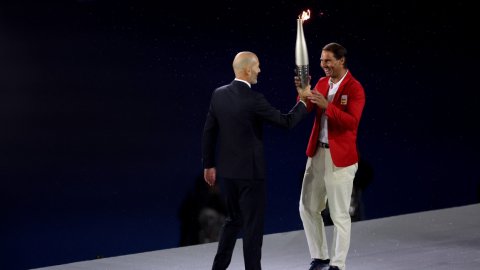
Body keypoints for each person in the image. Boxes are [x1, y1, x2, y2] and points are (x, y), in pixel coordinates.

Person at [202, 51, 310, 270]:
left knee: (233, 220)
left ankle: (218, 268)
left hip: (228, 172)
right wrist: (304, 101)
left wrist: (208, 164)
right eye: (258, 66)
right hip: (251, 175)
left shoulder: (218, 94)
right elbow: (286, 122)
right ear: (248, 69)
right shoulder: (254, 99)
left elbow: (209, 132)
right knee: (252, 228)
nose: (260, 70)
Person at [295, 43, 365, 270]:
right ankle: (320, 257)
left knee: (339, 215)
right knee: (307, 207)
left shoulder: (355, 88)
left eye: (328, 61)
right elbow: (305, 109)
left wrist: (328, 106)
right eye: (322, 60)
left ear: (341, 60)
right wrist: (303, 95)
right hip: (316, 155)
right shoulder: (323, 83)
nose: (323, 65)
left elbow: (352, 122)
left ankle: (338, 264)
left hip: (341, 160)